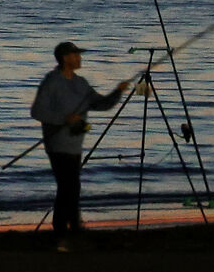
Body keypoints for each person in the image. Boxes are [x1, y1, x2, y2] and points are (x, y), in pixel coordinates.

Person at [30, 41, 140, 249]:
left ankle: (69, 230)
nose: (79, 58)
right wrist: (64, 118)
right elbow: (37, 112)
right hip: (57, 144)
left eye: (79, 54)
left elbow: (102, 104)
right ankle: (66, 232)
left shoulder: (81, 83)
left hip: (75, 144)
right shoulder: (52, 81)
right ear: (65, 58)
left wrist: (118, 92)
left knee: (71, 187)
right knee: (68, 187)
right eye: (75, 55)